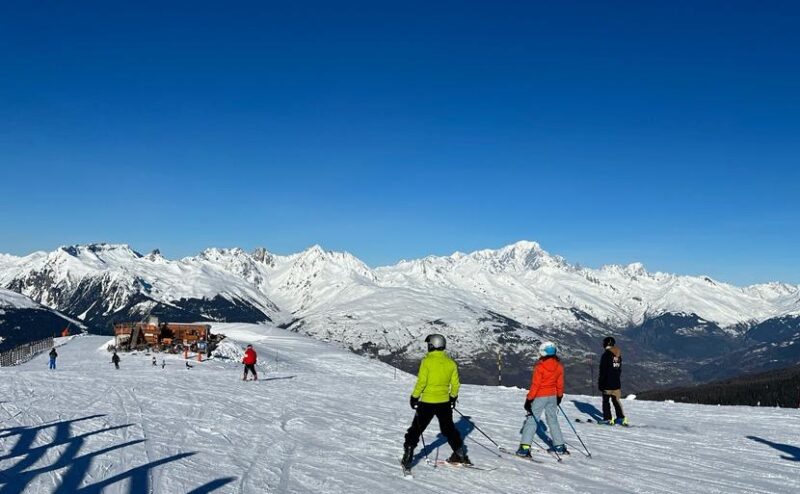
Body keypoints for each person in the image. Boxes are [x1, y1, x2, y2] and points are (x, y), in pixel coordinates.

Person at [401, 334, 469, 470]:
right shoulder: (451, 363)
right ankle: (460, 454)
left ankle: (408, 456)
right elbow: (455, 384)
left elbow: (422, 382)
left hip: (427, 402)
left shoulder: (426, 362)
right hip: (444, 402)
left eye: (429, 344)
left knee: (416, 429)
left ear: (432, 345)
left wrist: (414, 397)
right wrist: (453, 397)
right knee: (449, 429)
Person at [516, 341, 567, 457]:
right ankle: (559, 446)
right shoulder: (559, 366)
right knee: (553, 420)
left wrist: (529, 399)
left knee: (532, 420)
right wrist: (559, 396)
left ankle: (524, 448)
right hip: (553, 396)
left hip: (540, 396)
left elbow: (535, 385)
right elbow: (560, 384)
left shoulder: (540, 367)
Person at [598, 336, 627, 426]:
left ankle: (607, 419)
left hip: (607, 382)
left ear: (606, 344)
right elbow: (619, 369)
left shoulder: (606, 355)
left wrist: (601, 383)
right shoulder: (618, 355)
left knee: (606, 401)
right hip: (616, 382)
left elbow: (603, 370)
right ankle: (621, 417)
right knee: (616, 400)